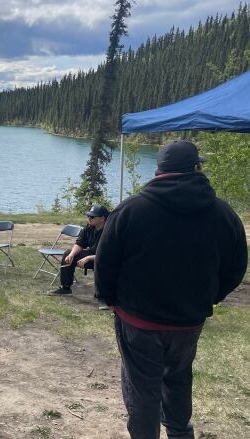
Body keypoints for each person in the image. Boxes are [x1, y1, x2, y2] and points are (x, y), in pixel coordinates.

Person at [95, 140, 247, 439]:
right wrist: (210, 297)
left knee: (142, 389)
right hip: (189, 322)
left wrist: (111, 301)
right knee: (178, 380)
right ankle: (180, 433)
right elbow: (236, 267)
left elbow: (105, 263)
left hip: (138, 321)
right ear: (195, 168)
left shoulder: (130, 210)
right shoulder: (223, 214)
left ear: (159, 170)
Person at [47, 204, 109, 299]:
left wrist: (88, 258)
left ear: (102, 218)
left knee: (101, 262)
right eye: (88, 216)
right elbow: (80, 243)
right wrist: (72, 254)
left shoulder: (110, 231)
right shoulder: (89, 227)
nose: (89, 218)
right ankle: (65, 288)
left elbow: (107, 255)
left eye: (92, 217)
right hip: (92, 255)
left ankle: (103, 296)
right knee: (68, 253)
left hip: (106, 259)